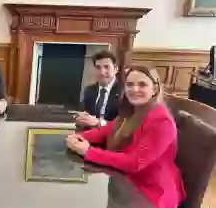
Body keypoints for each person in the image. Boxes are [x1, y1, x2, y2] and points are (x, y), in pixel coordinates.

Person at [66, 66, 186, 208]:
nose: (134, 89)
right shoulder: (131, 111)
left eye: (142, 84)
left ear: (154, 89)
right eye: (130, 84)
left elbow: (135, 162)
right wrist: (79, 137)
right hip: (125, 180)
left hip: (152, 193)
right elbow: (106, 131)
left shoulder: (162, 121)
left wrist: (88, 151)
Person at [75, 50, 121, 128]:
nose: (102, 72)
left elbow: (123, 125)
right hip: (90, 135)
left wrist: (100, 123)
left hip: (113, 137)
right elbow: (83, 117)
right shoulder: (89, 91)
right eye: (98, 68)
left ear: (116, 69)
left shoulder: (124, 92)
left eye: (106, 67)